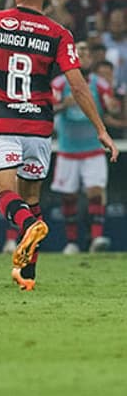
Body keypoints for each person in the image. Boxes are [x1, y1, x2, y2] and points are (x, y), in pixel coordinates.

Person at [0, 0, 118, 292]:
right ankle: (27, 276)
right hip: (39, 127)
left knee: (2, 195)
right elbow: (78, 86)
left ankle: (30, 225)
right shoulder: (58, 33)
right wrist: (101, 129)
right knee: (30, 198)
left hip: (2, 122)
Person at [50, 57, 116, 254]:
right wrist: (64, 104)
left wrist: (112, 106)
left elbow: (113, 109)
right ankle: (71, 242)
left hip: (93, 148)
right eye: (80, 51)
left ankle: (96, 238)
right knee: (69, 197)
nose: (84, 56)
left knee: (96, 192)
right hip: (68, 150)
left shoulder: (100, 84)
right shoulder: (59, 83)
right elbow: (48, 109)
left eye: (87, 52)